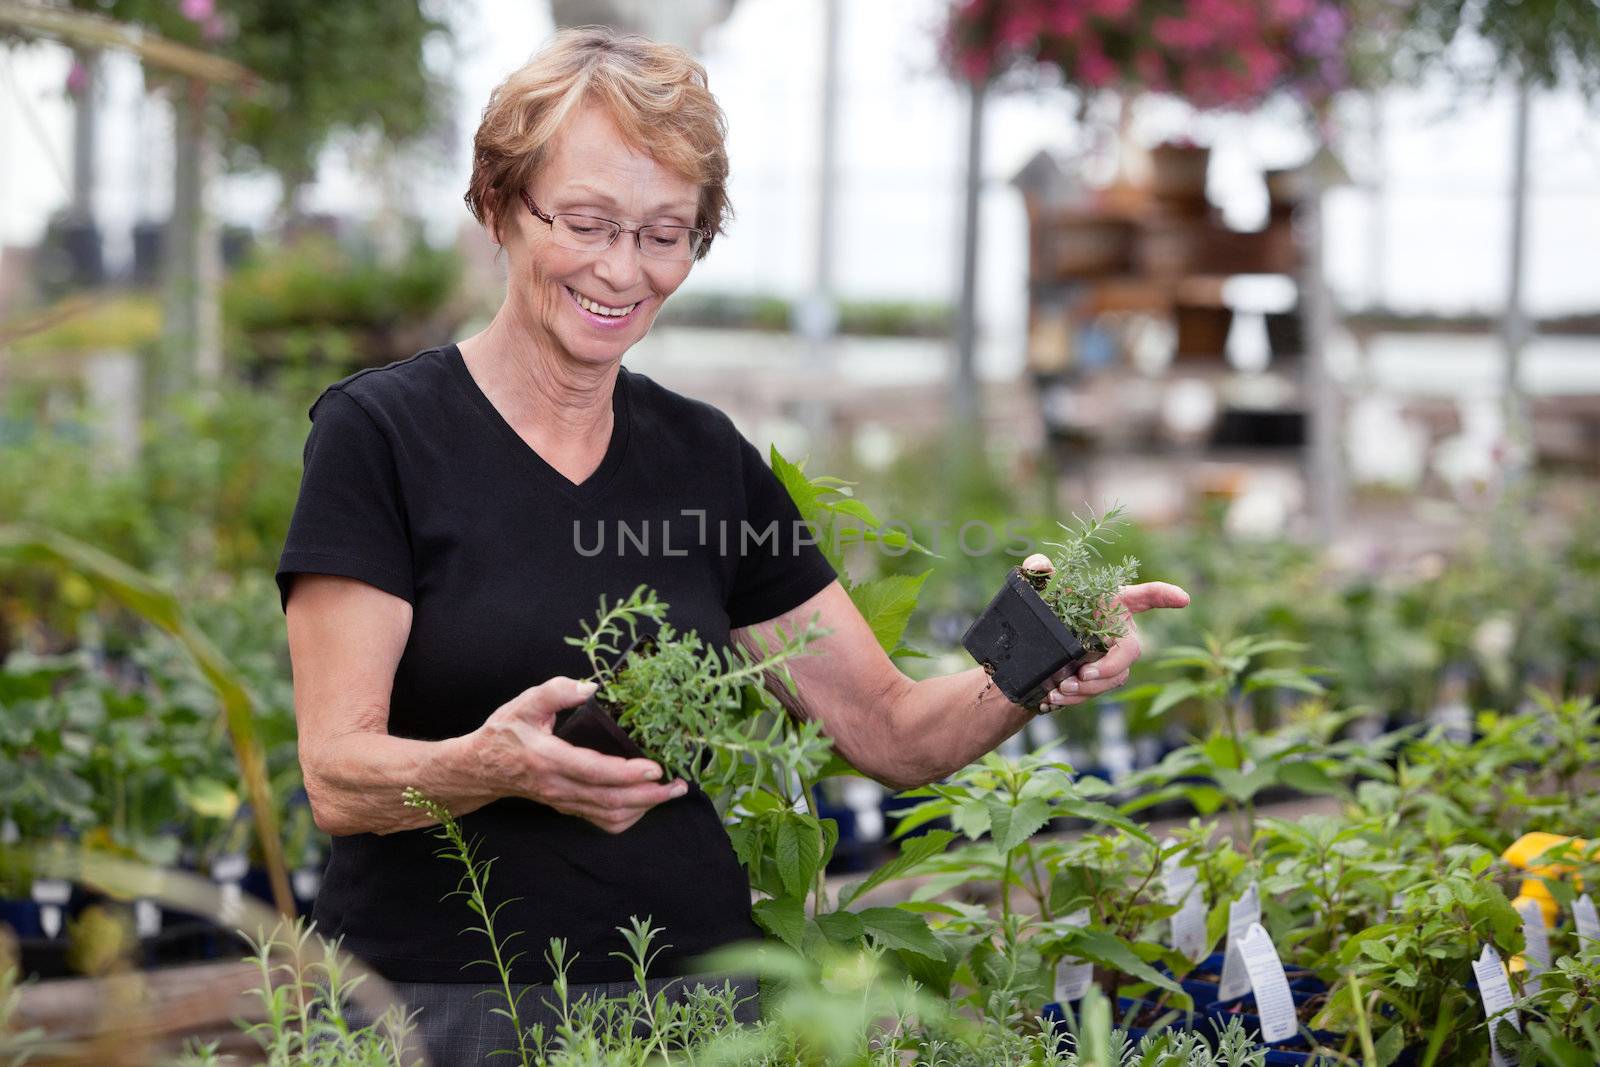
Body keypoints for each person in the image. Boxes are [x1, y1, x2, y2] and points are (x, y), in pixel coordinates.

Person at [276, 25, 1190, 1062]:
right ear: (497, 206)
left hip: (695, 1008)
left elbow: (887, 728)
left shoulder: (705, 460)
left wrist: (1043, 649)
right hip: (440, 1006)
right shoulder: (381, 436)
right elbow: (336, 771)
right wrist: (488, 764)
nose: (622, 268)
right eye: (585, 221)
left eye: (666, 233)